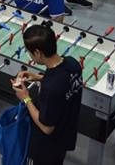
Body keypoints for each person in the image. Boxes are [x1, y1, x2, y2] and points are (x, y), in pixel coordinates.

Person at [10, 24, 83, 165]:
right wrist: (38, 77)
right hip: (64, 137)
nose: (30, 55)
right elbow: (64, 83)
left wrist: (26, 98)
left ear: (38, 52)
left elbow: (47, 128)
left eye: (29, 52)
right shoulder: (73, 63)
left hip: (46, 147)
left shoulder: (50, 89)